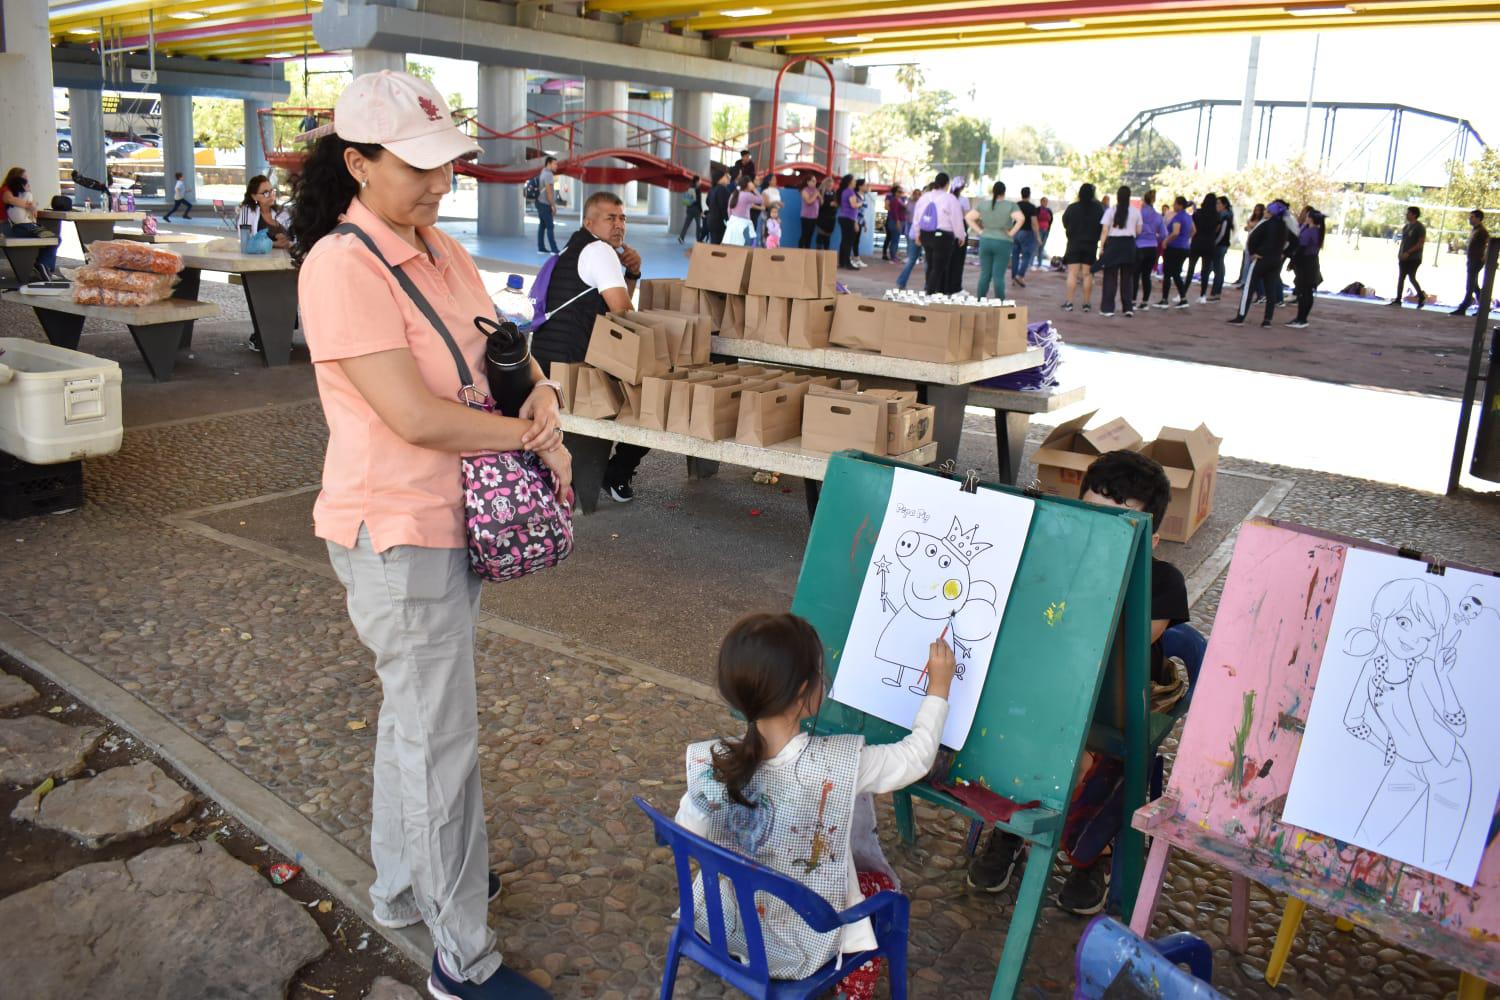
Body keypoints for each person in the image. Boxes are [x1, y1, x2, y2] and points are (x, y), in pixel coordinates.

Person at [291, 69, 563, 1000]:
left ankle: (407, 886)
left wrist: (544, 400)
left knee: (414, 723)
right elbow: (412, 415)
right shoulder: (341, 266)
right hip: (396, 531)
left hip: (456, 517)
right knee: (440, 743)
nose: (441, 184)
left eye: (448, 165)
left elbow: (498, 360)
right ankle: (462, 958)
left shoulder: (440, 248)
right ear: (359, 164)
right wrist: (528, 437)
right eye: (419, 168)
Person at [679, 612, 954, 997]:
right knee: (881, 892)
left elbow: (688, 832)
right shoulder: (839, 766)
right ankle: (852, 990)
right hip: (801, 941)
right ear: (804, 693)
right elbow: (916, 758)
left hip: (728, 924)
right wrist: (939, 688)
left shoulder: (713, 763)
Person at [967, 450, 1189, 913]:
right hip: (1055, 700)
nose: (1101, 533)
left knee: (1094, 759)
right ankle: (1012, 829)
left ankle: (1091, 854)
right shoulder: (1061, 565)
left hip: (1117, 711)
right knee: (1020, 727)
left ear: (1151, 538)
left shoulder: (1164, 581)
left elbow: (1119, 642)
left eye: (1119, 522)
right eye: (1092, 516)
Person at [533, 191, 649, 502]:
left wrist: (631, 274)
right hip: (574, 370)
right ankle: (618, 473)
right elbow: (623, 314)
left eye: (622, 217)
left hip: (546, 363)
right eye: (610, 218)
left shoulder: (572, 249)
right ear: (589, 221)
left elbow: (610, 307)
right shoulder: (599, 251)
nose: (619, 225)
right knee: (657, 397)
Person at [1229, 199, 1296, 327]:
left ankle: (1241, 316)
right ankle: (1267, 320)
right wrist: (1284, 253)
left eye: (1267, 210)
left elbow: (1252, 238)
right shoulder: (1284, 226)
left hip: (1261, 259)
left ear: (1271, 213)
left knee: (1249, 288)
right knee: (1271, 290)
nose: (1265, 212)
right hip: (1275, 261)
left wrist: (1253, 252)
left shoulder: (1265, 224)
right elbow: (1294, 242)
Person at [966, 181, 1022, 301]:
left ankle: (980, 300)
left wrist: (980, 232)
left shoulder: (984, 204)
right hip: (1003, 242)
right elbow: (1021, 219)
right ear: (1004, 192)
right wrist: (1011, 233)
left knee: (985, 274)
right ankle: (999, 302)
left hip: (986, 240)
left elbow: (968, 217)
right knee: (998, 275)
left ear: (993, 191)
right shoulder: (1010, 205)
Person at [2, 167, 60, 280]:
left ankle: (45, 268)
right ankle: (43, 266)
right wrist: (31, 204)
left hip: (21, 226)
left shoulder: (20, 194)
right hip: (11, 227)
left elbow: (32, 213)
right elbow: (10, 200)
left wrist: (31, 202)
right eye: (24, 178)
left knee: (54, 238)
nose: (27, 181)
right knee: (53, 238)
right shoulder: (6, 190)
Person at [911, 172, 963, 295]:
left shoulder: (924, 197)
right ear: (947, 184)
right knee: (938, 267)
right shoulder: (950, 198)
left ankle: (930, 290)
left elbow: (917, 217)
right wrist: (961, 235)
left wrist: (917, 234)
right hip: (943, 236)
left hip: (926, 234)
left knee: (930, 264)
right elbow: (956, 219)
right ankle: (930, 293)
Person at [1098, 185, 1142, 317]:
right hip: (1129, 244)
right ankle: (1128, 307)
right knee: (1127, 277)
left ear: (1117, 196)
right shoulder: (1136, 212)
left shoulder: (1110, 211)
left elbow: (1105, 231)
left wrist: (1101, 247)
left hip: (1113, 244)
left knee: (1110, 276)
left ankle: (1107, 308)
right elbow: (1139, 231)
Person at [1060, 183, 1104, 313]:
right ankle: (1086, 304)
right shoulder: (1098, 209)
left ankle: (1069, 303)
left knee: (1072, 273)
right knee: (1087, 274)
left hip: (1074, 243)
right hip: (1090, 245)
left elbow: (1065, 222)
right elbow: (1102, 226)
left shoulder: (1072, 207)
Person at [1286, 206, 1325, 329]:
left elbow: (1301, 248)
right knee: (1306, 292)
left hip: (1306, 264)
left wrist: (1292, 262)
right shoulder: (1313, 230)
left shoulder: (1310, 232)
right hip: (1309, 263)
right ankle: (1301, 318)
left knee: (1304, 293)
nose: (1305, 217)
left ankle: (1301, 318)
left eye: (1308, 216)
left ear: (1311, 219)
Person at [1451, 209, 1490, 316]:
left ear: (1478, 218)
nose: (1470, 218)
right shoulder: (1475, 230)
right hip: (1472, 260)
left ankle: (1464, 305)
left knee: (1470, 285)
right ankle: (1484, 307)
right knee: (1474, 286)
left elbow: (1488, 245)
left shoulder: (1481, 231)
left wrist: (1484, 257)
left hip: (1476, 260)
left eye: (1472, 217)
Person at [238, 174, 292, 250]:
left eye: (272, 191)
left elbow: (295, 238)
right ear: (254, 196)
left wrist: (287, 239)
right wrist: (274, 243)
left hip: (285, 259)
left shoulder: (282, 212)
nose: (271, 196)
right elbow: (245, 242)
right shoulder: (247, 212)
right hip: (261, 261)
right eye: (265, 193)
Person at [1158, 196, 1194, 309]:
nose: (1173, 206)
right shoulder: (1188, 217)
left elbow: (1175, 232)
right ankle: (1182, 298)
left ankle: (1165, 299)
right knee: (1176, 273)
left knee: (1168, 273)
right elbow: (1194, 230)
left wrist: (1166, 241)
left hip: (1174, 248)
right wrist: (1186, 239)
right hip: (1184, 248)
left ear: (1179, 205)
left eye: (1175, 204)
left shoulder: (1178, 217)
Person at [1133, 189, 1166, 308]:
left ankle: (1132, 301)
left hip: (1139, 246)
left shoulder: (1139, 213)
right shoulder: (1158, 216)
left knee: (1135, 275)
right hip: (1152, 248)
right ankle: (1145, 302)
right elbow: (1164, 234)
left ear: (1143, 200)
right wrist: (1154, 239)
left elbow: (1134, 229)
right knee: (1146, 276)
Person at [1184, 193, 1218, 304]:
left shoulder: (1198, 213)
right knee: (1205, 271)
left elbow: (1192, 228)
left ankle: (1183, 293)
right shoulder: (1217, 216)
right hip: (1209, 244)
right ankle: (1203, 295)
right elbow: (1217, 229)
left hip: (1197, 242)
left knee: (1191, 269)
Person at [1391, 206, 1427, 309]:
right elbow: (1404, 242)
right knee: (1401, 277)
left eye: (1408, 213)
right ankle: (1398, 299)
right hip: (1403, 257)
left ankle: (1421, 296)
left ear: (1414, 214)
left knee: (1411, 276)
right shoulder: (1406, 227)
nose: (1406, 215)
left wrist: (1408, 252)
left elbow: (1420, 243)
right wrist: (1401, 253)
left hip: (1414, 257)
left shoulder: (1420, 227)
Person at [895, 183, 930, 290]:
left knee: (912, 260)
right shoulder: (927, 203)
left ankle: (901, 282)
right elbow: (919, 220)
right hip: (921, 233)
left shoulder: (919, 202)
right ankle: (928, 286)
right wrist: (918, 236)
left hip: (915, 233)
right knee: (927, 261)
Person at [1011, 186, 1039, 288]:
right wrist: (1038, 236)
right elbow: (1034, 223)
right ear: (1029, 195)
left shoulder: (1016, 205)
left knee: (1015, 255)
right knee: (1027, 256)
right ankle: (1020, 275)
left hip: (1016, 231)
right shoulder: (1032, 207)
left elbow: (1012, 220)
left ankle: (1014, 278)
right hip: (1027, 232)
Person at [1232, 203, 1265, 289]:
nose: (1256, 212)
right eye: (1255, 209)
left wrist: (1250, 226)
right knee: (1246, 263)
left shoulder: (1263, 221)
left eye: (1258, 210)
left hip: (1257, 244)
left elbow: (1254, 227)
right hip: (1249, 242)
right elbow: (1247, 228)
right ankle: (1244, 281)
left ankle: (1253, 284)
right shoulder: (1252, 218)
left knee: (1253, 265)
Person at [725, 175, 763, 246]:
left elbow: (729, 209)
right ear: (748, 184)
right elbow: (761, 200)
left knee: (733, 247)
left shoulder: (734, 194)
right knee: (744, 247)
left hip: (733, 225)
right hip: (744, 225)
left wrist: (731, 220)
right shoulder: (747, 195)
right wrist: (754, 189)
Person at [534, 156, 560, 255]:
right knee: (550, 226)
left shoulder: (542, 172)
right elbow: (549, 192)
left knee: (542, 225)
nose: (556, 166)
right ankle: (554, 249)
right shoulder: (548, 175)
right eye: (555, 164)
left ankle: (541, 248)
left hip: (539, 202)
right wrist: (553, 206)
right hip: (545, 203)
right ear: (548, 163)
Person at [835, 174, 859, 269]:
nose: (855, 182)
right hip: (848, 218)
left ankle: (842, 262)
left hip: (844, 217)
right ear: (850, 182)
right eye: (854, 180)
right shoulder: (850, 192)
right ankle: (847, 263)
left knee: (844, 240)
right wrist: (860, 204)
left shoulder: (844, 191)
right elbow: (853, 205)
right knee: (849, 241)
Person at [706, 170, 732, 245]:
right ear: (719, 178)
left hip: (711, 220)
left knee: (714, 243)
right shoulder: (722, 189)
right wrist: (728, 219)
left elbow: (707, 202)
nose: (727, 178)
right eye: (725, 176)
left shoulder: (712, 189)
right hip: (719, 222)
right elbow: (724, 206)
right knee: (719, 245)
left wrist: (714, 208)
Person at [677, 174, 704, 244]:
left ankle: (681, 237)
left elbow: (687, 200)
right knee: (698, 225)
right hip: (696, 210)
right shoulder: (698, 189)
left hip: (689, 209)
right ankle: (698, 239)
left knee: (686, 224)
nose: (701, 181)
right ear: (697, 181)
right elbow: (699, 202)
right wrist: (701, 211)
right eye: (700, 180)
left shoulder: (689, 188)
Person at [882, 185, 907, 261]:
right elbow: (895, 212)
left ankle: (894, 255)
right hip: (894, 221)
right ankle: (893, 256)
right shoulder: (895, 200)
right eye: (899, 192)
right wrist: (897, 221)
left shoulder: (900, 200)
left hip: (898, 221)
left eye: (901, 192)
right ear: (895, 192)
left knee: (895, 239)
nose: (900, 193)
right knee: (894, 240)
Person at [815, 175, 839, 252]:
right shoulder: (821, 192)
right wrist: (829, 204)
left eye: (831, 185)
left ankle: (826, 253)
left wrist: (836, 204)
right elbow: (819, 204)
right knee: (820, 235)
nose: (830, 187)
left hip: (831, 218)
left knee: (827, 237)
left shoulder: (834, 192)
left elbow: (837, 203)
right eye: (828, 185)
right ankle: (818, 253)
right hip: (822, 217)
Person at [757, 173, 781, 247]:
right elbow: (766, 204)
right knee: (766, 233)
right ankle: (765, 247)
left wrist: (780, 204)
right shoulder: (765, 191)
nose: (775, 181)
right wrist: (775, 202)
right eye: (773, 179)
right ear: (769, 181)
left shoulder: (777, 191)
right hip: (766, 216)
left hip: (775, 216)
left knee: (775, 233)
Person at [851, 178, 870, 269]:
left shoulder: (864, 196)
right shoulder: (855, 195)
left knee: (856, 240)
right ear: (860, 186)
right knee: (852, 240)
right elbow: (854, 209)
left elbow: (862, 212)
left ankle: (856, 258)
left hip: (860, 221)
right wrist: (855, 222)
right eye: (865, 185)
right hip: (855, 220)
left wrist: (864, 223)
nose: (867, 187)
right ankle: (852, 259)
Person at [798, 174, 821, 249]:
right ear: (808, 182)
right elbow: (808, 201)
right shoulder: (804, 190)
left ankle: (807, 251)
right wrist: (815, 195)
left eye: (815, 181)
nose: (815, 183)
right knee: (805, 234)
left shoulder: (816, 190)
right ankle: (800, 250)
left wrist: (819, 196)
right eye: (813, 181)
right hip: (806, 216)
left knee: (810, 236)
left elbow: (821, 202)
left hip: (814, 217)